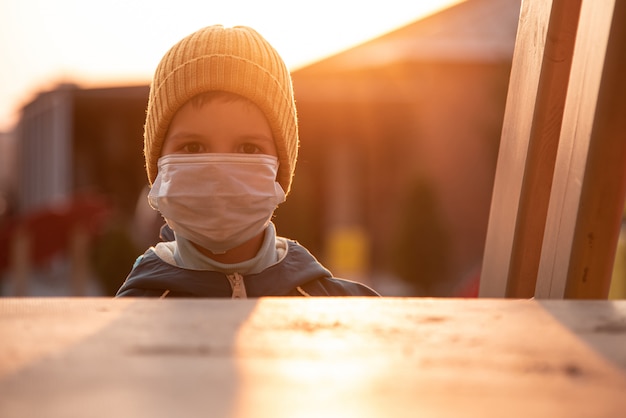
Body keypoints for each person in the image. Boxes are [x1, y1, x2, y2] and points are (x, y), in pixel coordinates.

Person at [116, 25, 379, 298]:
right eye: (193, 146)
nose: (220, 173)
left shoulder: (346, 314)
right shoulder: (129, 317)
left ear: (280, 167)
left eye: (248, 148)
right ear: (158, 165)